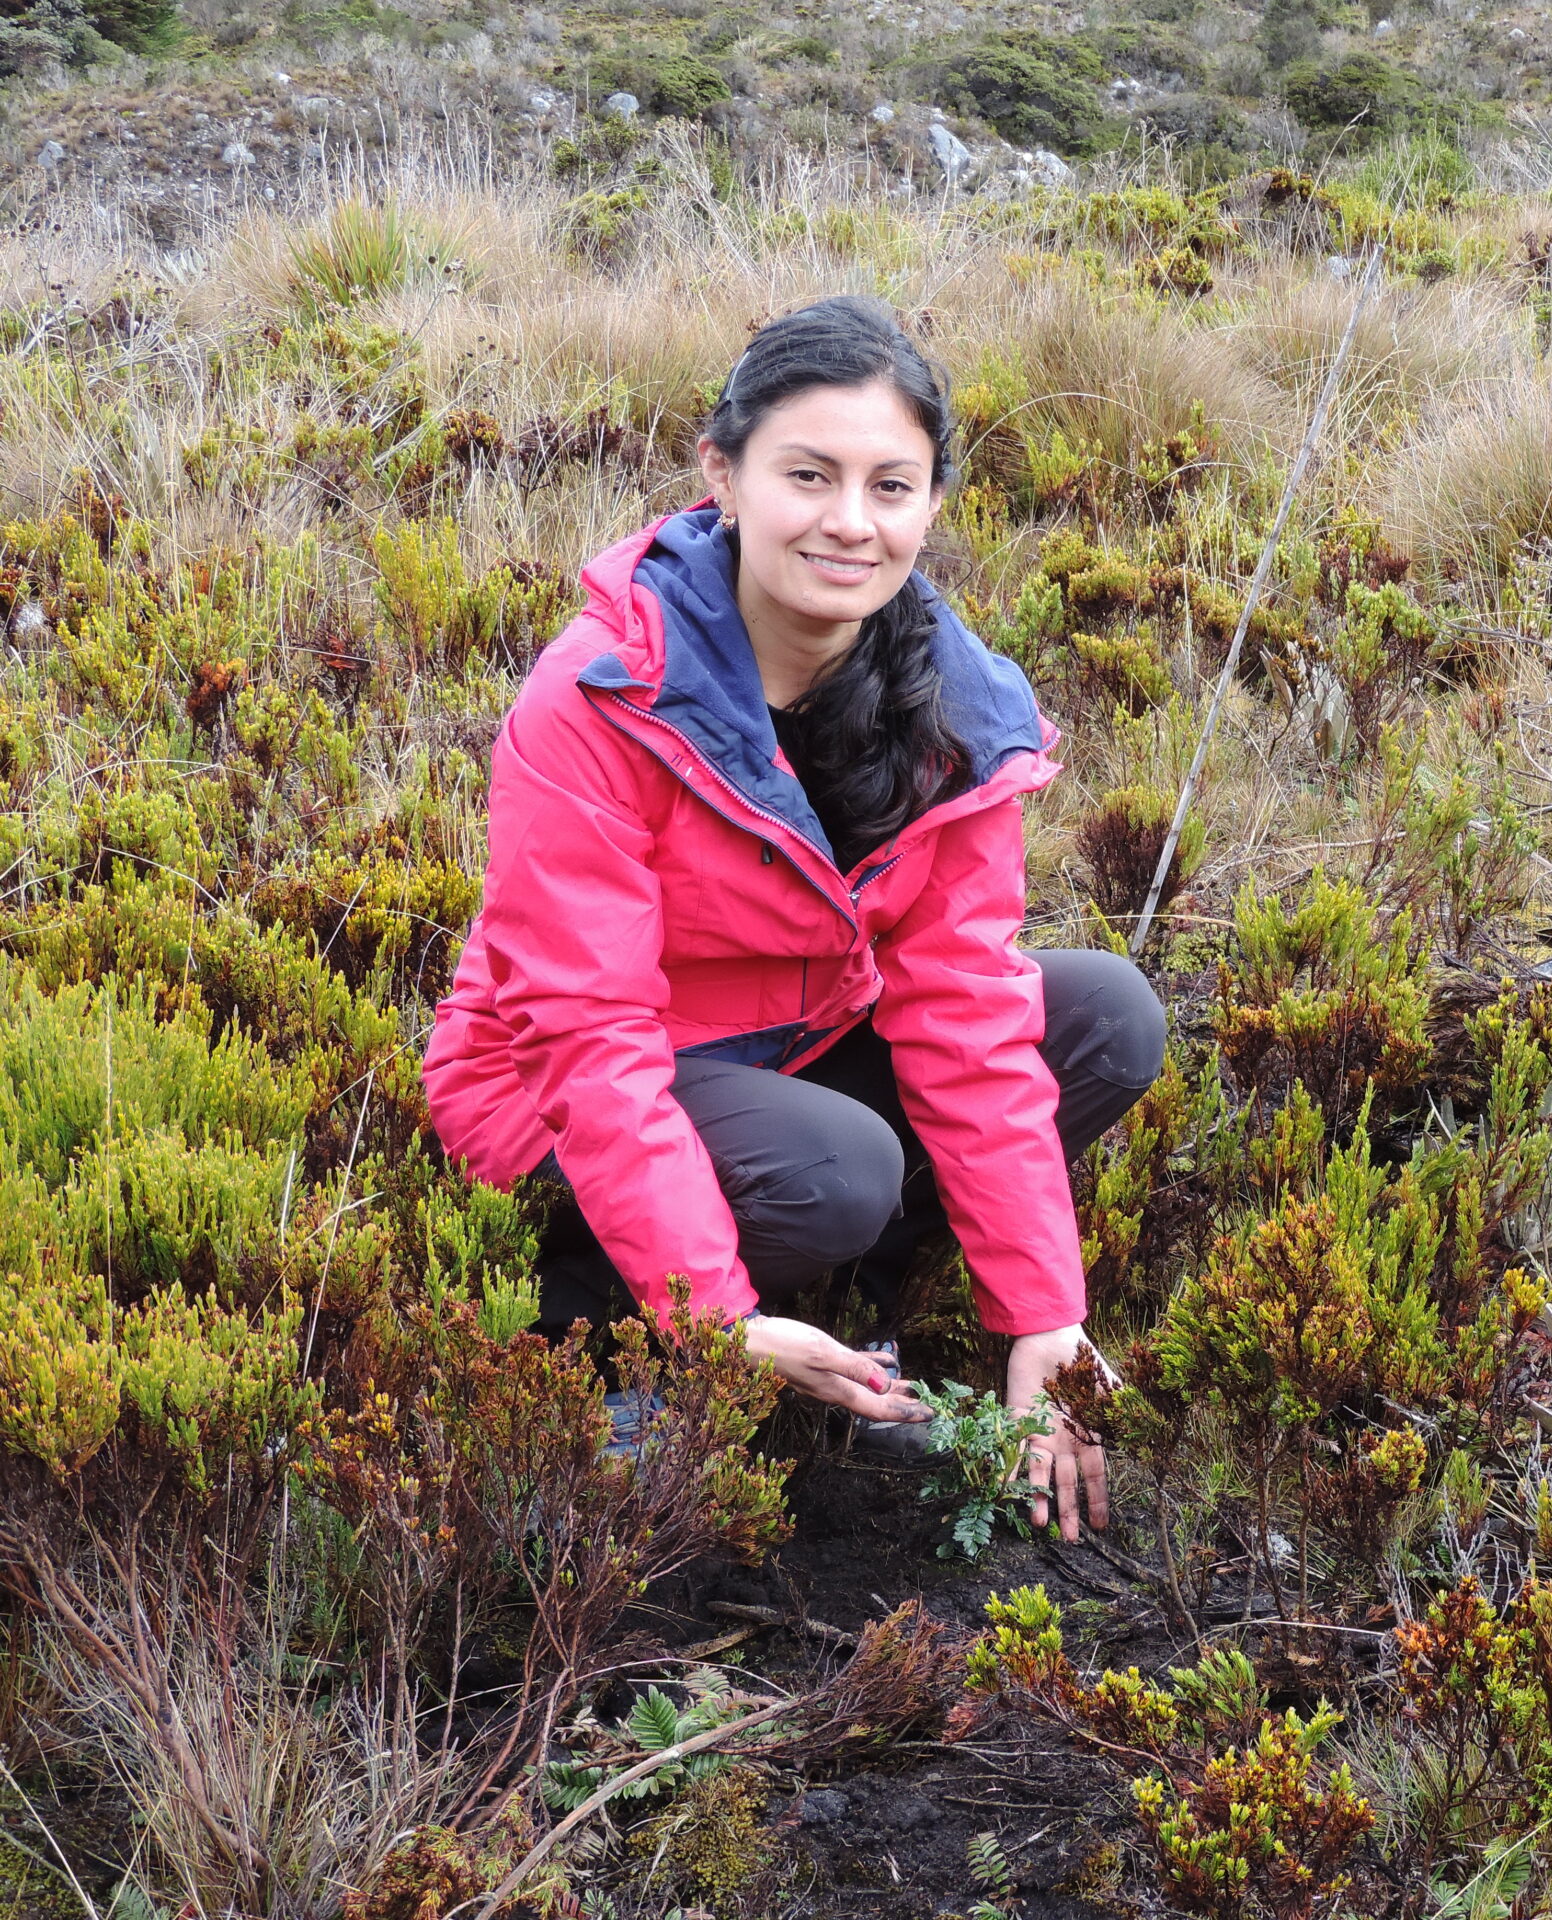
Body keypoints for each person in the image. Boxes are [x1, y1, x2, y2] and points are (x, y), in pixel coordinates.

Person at [420, 294, 1164, 1543]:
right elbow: (586, 1039)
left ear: (933, 504)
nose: (848, 523)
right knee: (838, 1168)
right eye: (807, 475)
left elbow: (966, 1010)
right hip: (553, 1086)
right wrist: (709, 1317)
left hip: (789, 1052)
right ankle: (610, 1356)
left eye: (890, 485)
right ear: (723, 473)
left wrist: (1045, 1317)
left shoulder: (960, 708)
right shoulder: (601, 695)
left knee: (1100, 1017)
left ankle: (846, 1312)